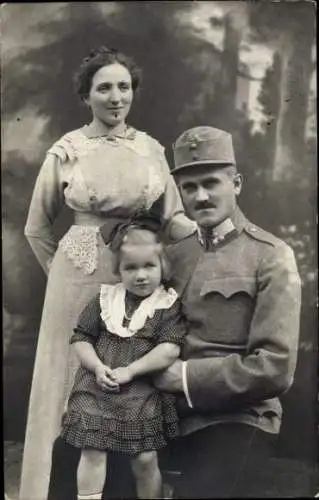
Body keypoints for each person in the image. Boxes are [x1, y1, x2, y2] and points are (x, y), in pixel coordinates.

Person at [20, 46, 194, 500]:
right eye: (104, 88)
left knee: (128, 376)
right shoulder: (69, 150)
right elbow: (37, 227)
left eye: (124, 87)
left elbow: (173, 217)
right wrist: (63, 273)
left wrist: (207, 233)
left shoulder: (151, 149)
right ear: (87, 95)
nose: (116, 97)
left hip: (136, 272)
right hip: (78, 275)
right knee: (72, 377)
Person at [152, 126, 302, 498]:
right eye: (189, 187)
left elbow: (274, 366)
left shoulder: (271, 255)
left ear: (235, 183)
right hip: (169, 417)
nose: (201, 196)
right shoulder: (173, 256)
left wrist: (184, 377)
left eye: (211, 183)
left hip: (237, 418)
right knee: (73, 453)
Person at [59, 215, 186, 500]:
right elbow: (81, 338)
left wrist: (131, 371)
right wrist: (97, 367)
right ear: (118, 269)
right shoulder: (105, 299)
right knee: (92, 449)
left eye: (149, 266)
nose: (141, 275)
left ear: (163, 266)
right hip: (98, 385)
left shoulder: (166, 305)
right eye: (130, 268)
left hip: (141, 388)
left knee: (144, 458)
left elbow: (169, 349)